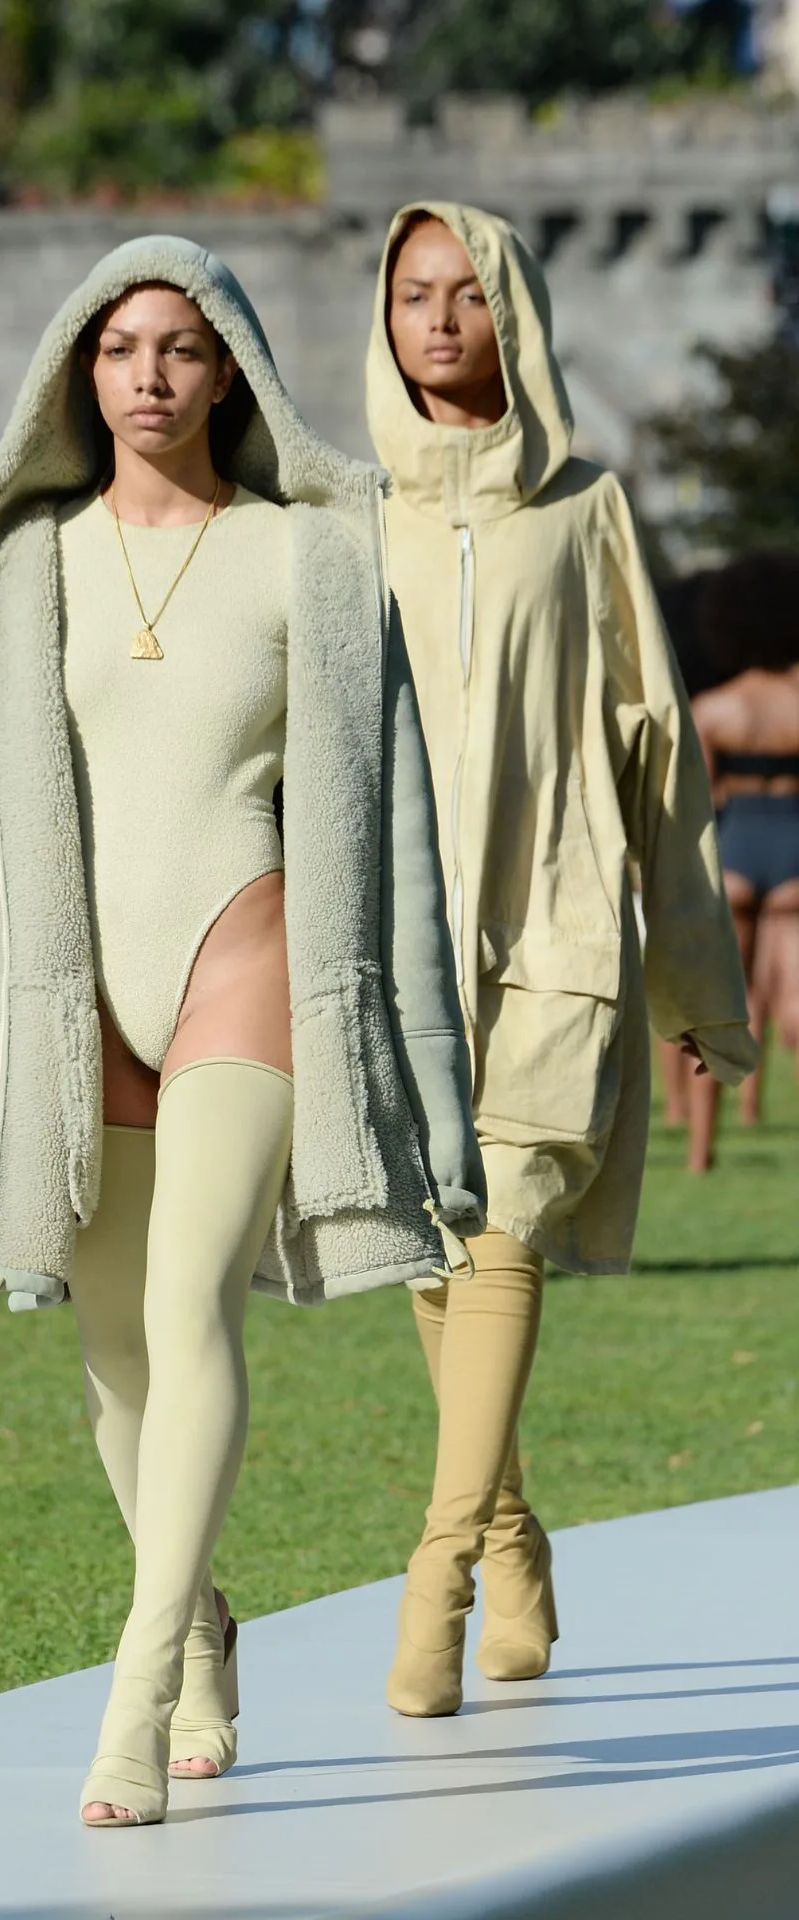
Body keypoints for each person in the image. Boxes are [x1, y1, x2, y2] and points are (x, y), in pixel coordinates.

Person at [0, 236, 487, 1828]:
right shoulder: (14, 569)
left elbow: (389, 845)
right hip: (71, 994)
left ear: (231, 367)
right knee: (113, 1350)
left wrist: (434, 1102)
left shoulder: (313, 561)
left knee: (190, 1313)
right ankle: (200, 1625)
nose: (151, 375)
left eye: (181, 346)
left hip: (249, 953)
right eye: (120, 349)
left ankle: (133, 1690)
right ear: (77, 372)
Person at [366, 203, 756, 1720]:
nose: (443, 321)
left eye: (470, 295)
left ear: (515, 314)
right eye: (414, 296)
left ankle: (441, 1567)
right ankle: (516, 1519)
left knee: (510, 1216)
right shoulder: (347, 519)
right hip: (397, 943)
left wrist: (698, 985)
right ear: (383, 318)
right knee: (442, 1247)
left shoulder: (587, 509)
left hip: (559, 926)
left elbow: (661, 748)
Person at [688, 549, 799, 1171]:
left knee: (723, 1010)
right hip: (795, 846)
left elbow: (703, 804)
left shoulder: (715, 708)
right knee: (796, 1003)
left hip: (736, 848)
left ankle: (702, 1153)